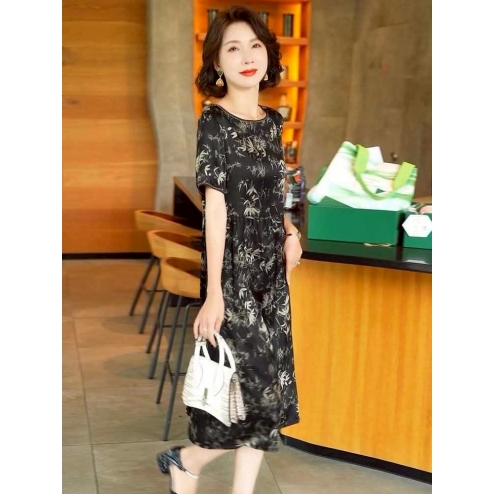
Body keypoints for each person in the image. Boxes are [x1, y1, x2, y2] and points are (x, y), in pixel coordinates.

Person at [157, 5, 303, 494]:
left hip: (271, 274)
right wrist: (215, 293)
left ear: (268, 55)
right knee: (260, 398)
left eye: (255, 45)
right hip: (233, 275)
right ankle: (186, 459)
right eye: (233, 48)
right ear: (217, 62)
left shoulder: (272, 122)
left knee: (270, 398)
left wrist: (289, 231)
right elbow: (216, 209)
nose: (246, 57)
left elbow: (269, 193)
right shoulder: (214, 121)